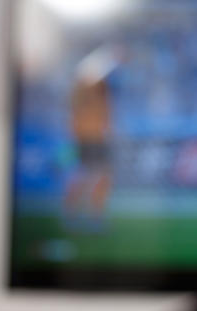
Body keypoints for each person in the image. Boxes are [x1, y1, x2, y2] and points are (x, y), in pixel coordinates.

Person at [63, 47, 117, 229]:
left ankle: (94, 215)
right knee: (85, 178)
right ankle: (75, 215)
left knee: (100, 178)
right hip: (87, 139)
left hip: (96, 139)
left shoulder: (101, 94)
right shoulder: (85, 90)